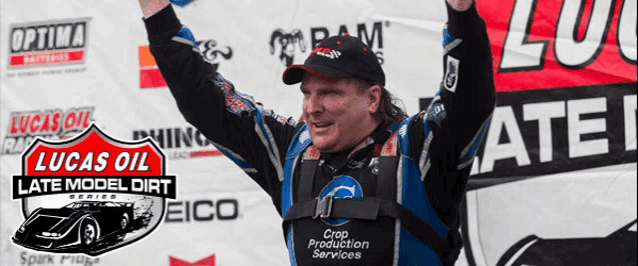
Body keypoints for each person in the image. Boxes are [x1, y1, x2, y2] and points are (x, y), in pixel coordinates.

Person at [138, 0, 495, 265]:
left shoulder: (418, 149)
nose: (312, 108)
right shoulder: (289, 153)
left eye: (329, 93)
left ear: (372, 98)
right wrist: (156, 11)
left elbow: (468, 98)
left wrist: (461, 14)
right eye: (307, 93)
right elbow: (204, 97)